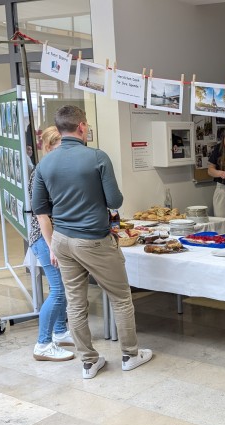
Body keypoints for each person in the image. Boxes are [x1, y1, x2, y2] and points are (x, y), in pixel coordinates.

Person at [31, 105, 153, 379]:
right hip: (93, 240)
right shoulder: (97, 157)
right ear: (82, 127)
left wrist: (51, 245)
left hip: (62, 241)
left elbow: (40, 207)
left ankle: (88, 362)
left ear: (59, 129)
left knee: (76, 303)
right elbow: (115, 201)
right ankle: (130, 355)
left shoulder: (44, 164)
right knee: (121, 299)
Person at [28, 126, 75, 362]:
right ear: (49, 147)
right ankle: (43, 344)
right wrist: (52, 246)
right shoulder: (41, 172)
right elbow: (42, 216)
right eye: (60, 146)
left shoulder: (53, 168)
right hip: (45, 239)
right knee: (58, 291)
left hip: (53, 238)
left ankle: (60, 332)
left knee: (62, 288)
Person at [207, 125, 225, 217]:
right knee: (222, 220)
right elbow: (210, 170)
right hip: (223, 188)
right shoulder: (218, 149)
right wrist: (219, 173)